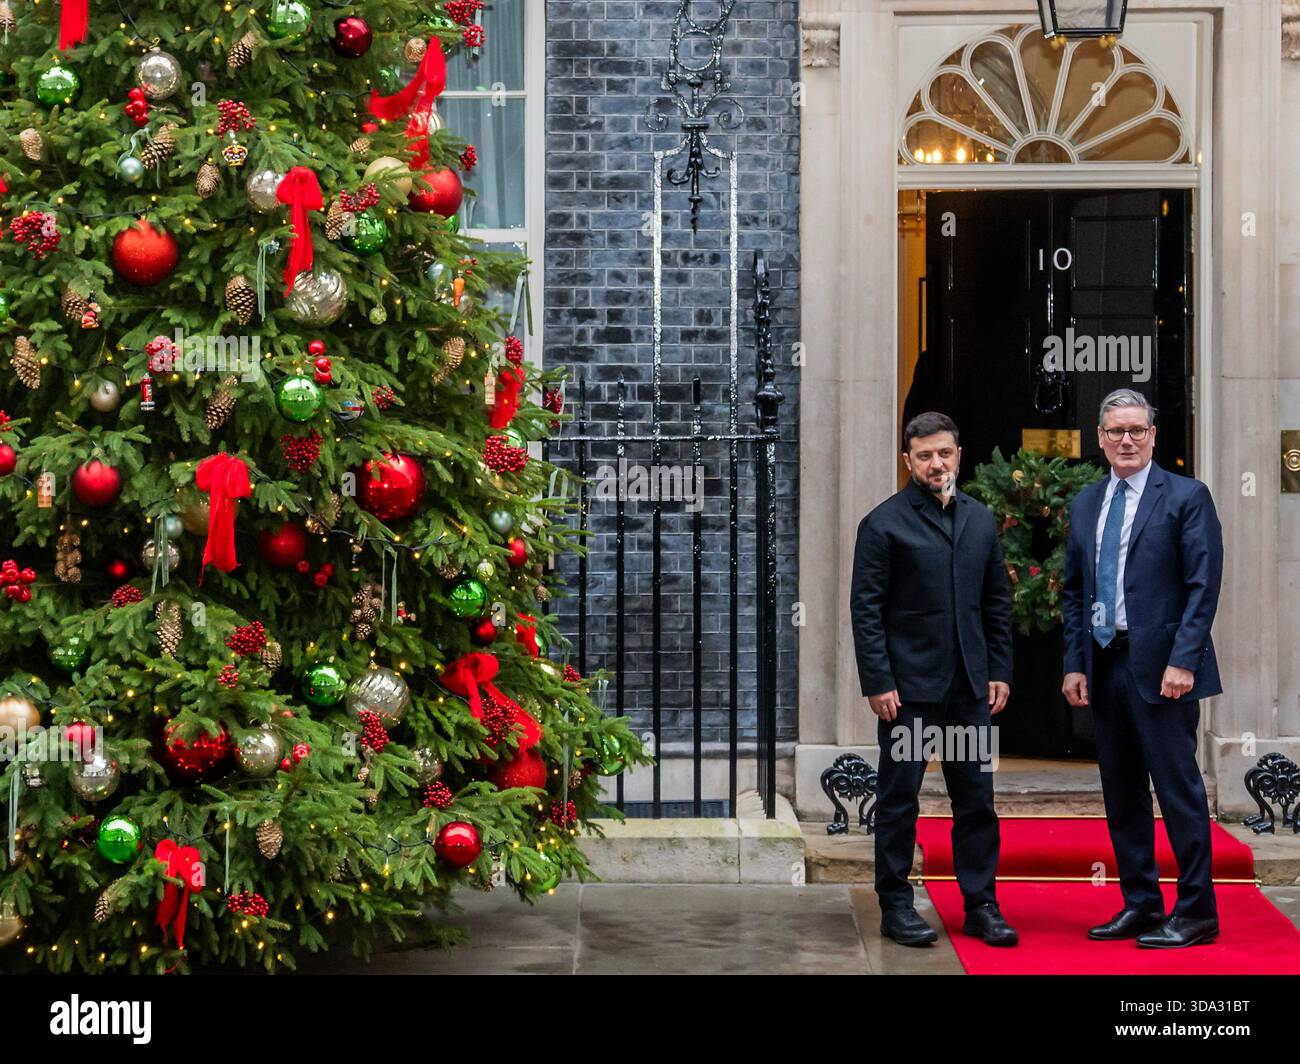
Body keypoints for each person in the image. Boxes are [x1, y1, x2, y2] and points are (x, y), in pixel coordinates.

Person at [1061, 389, 1223, 948]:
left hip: (1164, 670)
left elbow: (1203, 588)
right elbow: (1075, 591)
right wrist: (1074, 663)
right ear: (1101, 439)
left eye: (1136, 430)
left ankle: (1198, 910)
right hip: (1105, 664)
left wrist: (1184, 660)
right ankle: (1141, 903)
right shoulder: (1086, 503)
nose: (1125, 440)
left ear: (1153, 436)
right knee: (1122, 792)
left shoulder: (1186, 496)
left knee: (1178, 791)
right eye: (1114, 432)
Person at [850, 412, 1016, 948]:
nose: (936, 463)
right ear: (908, 460)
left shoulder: (980, 520)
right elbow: (866, 610)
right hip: (909, 693)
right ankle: (896, 905)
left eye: (944, 452)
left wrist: (999, 672)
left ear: (958, 454)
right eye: (924, 455)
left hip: (970, 689)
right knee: (900, 800)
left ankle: (981, 905)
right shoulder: (883, 524)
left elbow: (996, 604)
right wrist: (878, 681)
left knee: (976, 799)